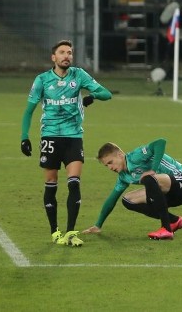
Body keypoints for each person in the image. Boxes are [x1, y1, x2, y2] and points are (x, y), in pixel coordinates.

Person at [20, 39, 113, 247]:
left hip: (73, 137)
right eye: (62, 52)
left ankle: (71, 232)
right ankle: (55, 232)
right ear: (54, 57)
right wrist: (24, 137)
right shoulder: (42, 80)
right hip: (50, 136)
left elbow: (107, 94)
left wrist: (92, 95)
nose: (66, 56)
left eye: (69, 52)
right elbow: (28, 111)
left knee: (74, 183)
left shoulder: (79, 75)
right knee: (51, 184)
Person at [82, 138, 182, 240]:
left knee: (148, 179)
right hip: (170, 194)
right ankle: (173, 221)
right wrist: (98, 225)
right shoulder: (123, 176)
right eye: (106, 165)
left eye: (110, 162)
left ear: (119, 155)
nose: (110, 167)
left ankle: (166, 229)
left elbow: (160, 142)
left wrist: (153, 169)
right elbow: (112, 199)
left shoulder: (135, 157)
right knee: (127, 200)